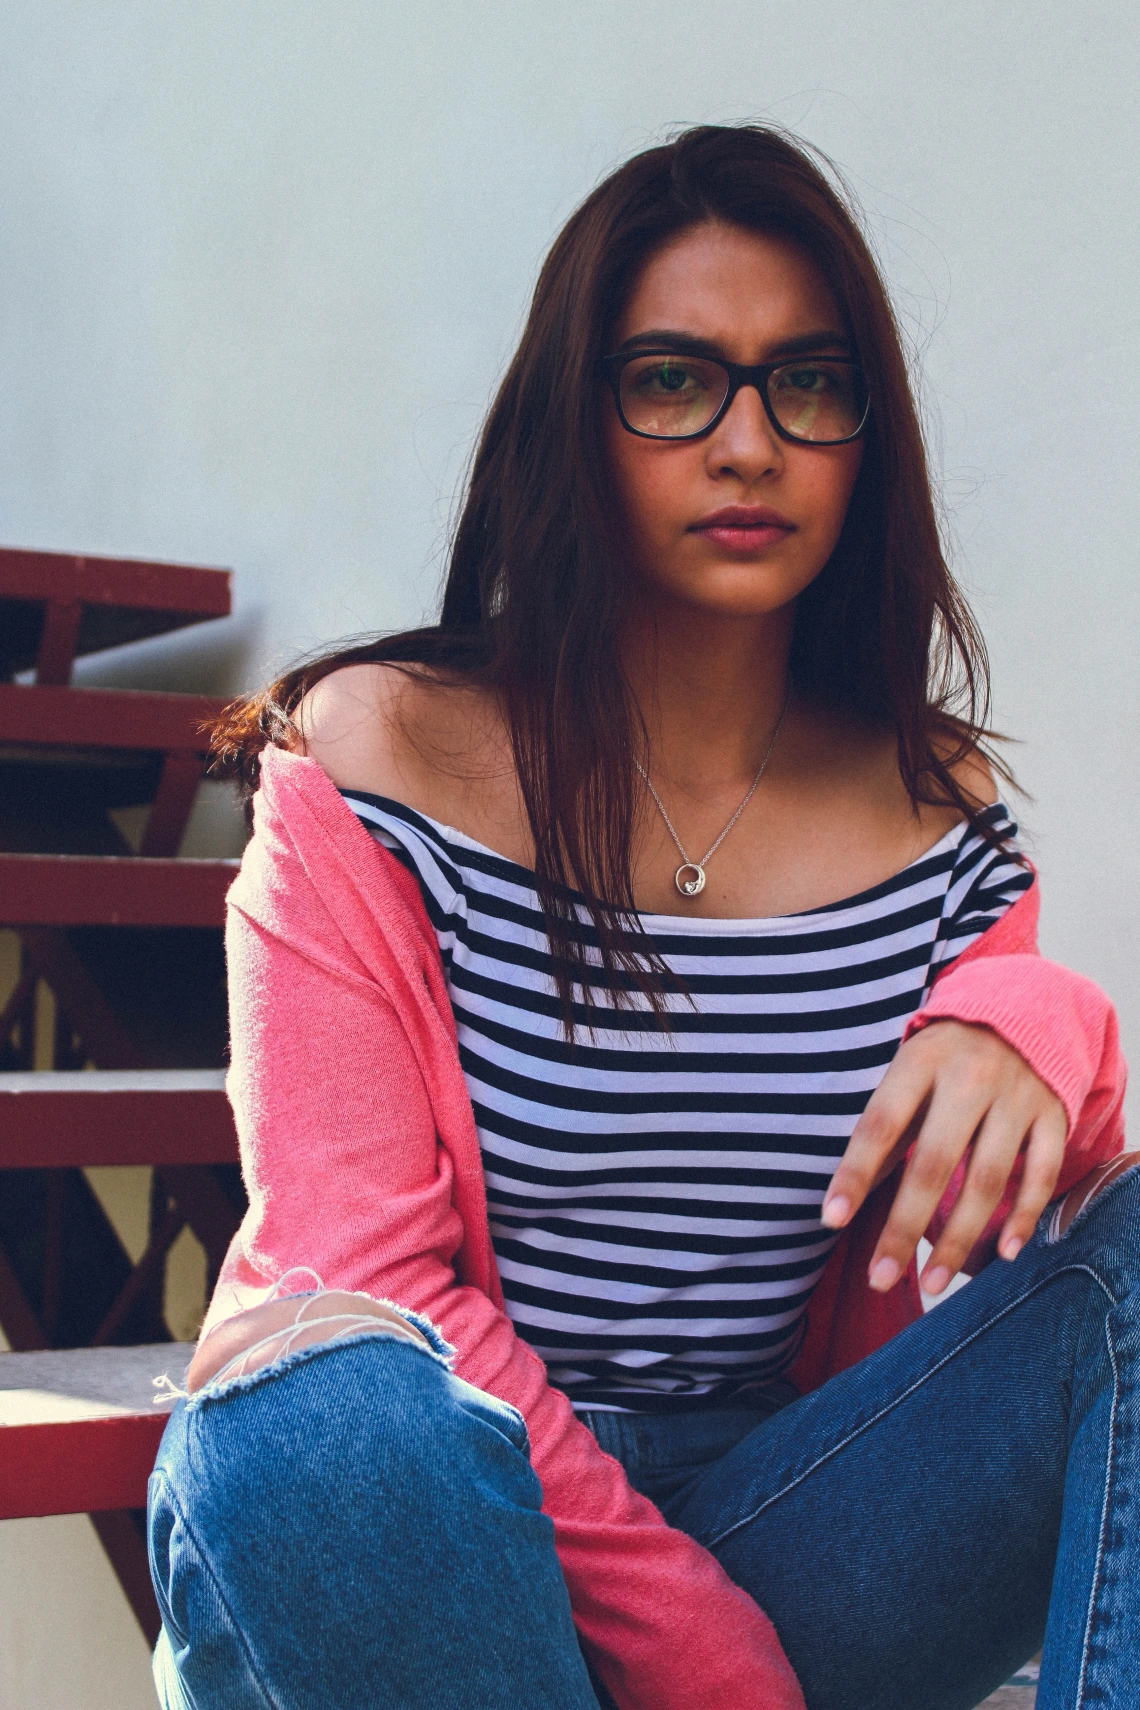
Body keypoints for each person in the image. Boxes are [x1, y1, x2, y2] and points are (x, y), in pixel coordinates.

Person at [147, 126, 1136, 1710]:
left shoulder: (931, 818)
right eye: (675, 381)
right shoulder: (369, 761)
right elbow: (368, 1273)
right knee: (321, 1408)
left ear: (863, 437)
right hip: (420, 1525)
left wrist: (1050, 1022)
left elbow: (1054, 1194)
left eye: (808, 383)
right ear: (575, 420)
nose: (749, 442)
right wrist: (710, 1659)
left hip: (787, 1510)